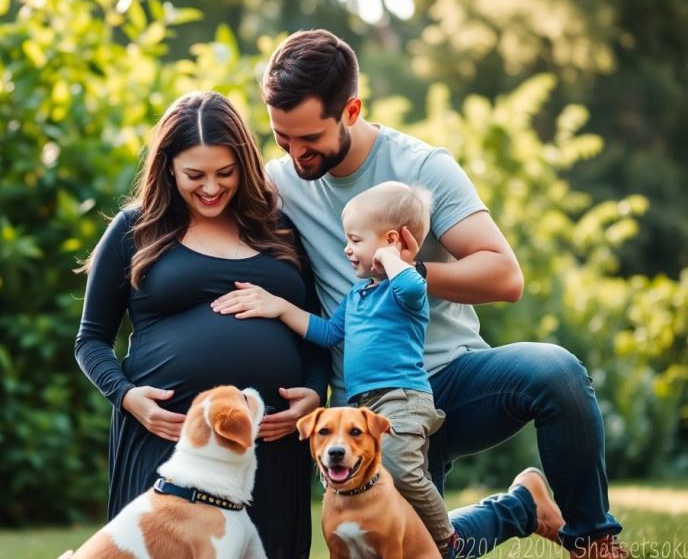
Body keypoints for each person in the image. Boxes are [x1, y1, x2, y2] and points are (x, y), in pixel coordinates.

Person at [242, 28, 626, 558]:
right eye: (281, 138)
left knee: (557, 373)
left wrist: (405, 268)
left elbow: (505, 276)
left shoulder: (422, 168)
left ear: (351, 111)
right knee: (423, 550)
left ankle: (594, 538)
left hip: (453, 381)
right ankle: (523, 506)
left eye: (309, 139)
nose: (295, 153)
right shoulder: (280, 185)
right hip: (371, 409)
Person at [74, 91, 330, 559]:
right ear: (168, 168)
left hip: (268, 442)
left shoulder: (278, 228)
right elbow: (90, 340)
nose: (211, 188)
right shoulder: (136, 230)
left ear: (244, 166)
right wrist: (127, 397)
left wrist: (313, 394)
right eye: (195, 175)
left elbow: (315, 330)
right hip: (167, 442)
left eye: (224, 173)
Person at [213, 180, 457, 556]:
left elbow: (411, 285)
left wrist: (391, 257)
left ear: (391, 240)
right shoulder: (357, 296)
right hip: (363, 404)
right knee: (371, 475)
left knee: (399, 469)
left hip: (402, 398)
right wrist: (280, 307)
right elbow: (327, 333)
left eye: (356, 240)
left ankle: (445, 538)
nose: (347, 249)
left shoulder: (403, 292)